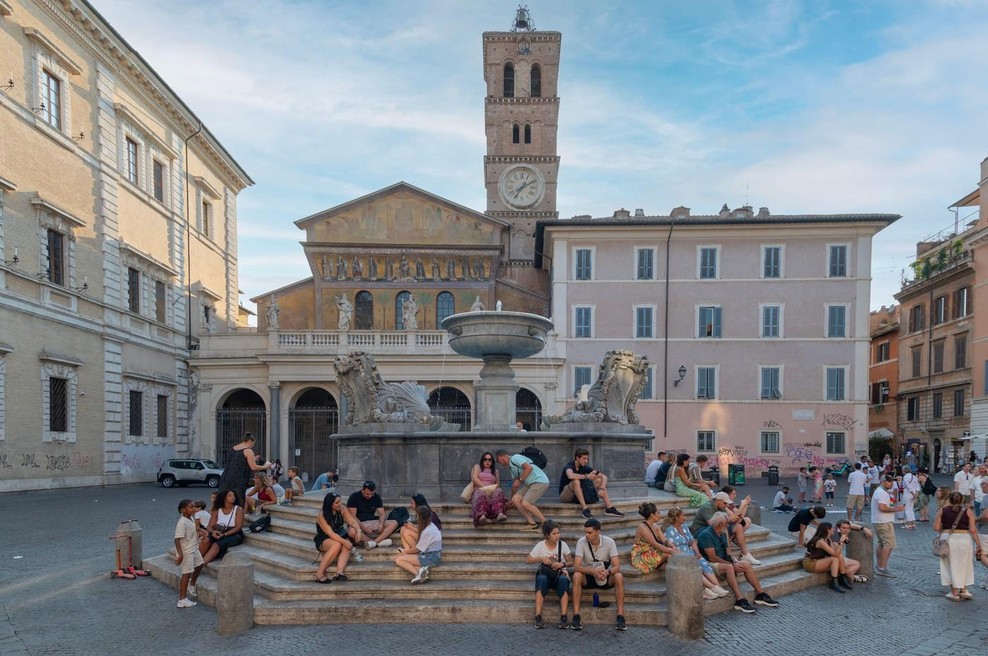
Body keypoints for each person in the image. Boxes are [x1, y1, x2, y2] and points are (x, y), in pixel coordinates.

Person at [697, 512, 779, 614]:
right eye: (726, 523)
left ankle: (760, 594)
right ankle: (739, 600)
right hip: (709, 564)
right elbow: (712, 558)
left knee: (746, 565)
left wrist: (734, 561)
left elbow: (727, 551)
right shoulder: (706, 535)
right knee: (729, 568)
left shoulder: (722, 532)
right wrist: (731, 564)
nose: (728, 525)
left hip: (723, 562)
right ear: (720, 524)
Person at [571, 518, 627, 631]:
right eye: (585, 532)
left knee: (619, 576)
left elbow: (617, 566)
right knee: (576, 575)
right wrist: (592, 571)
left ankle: (620, 615)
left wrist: (607, 572)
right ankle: (576, 615)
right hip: (589, 575)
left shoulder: (609, 542)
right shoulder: (581, 542)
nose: (586, 535)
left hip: (605, 575)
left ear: (598, 532)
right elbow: (576, 566)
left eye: (589, 532)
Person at [662, 507, 729, 600]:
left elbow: (693, 541)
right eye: (683, 515)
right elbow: (672, 548)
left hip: (691, 553)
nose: (685, 517)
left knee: (704, 564)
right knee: (695, 567)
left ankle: (718, 587)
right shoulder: (669, 530)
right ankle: (712, 587)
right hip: (680, 557)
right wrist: (686, 556)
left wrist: (697, 552)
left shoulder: (684, 527)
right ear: (676, 518)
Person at [192, 489, 245, 593]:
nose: (232, 497)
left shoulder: (238, 509)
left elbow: (239, 527)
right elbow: (210, 526)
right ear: (224, 498)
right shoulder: (218, 510)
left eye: (233, 495)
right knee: (207, 540)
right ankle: (195, 561)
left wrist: (225, 534)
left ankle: (199, 567)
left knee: (216, 545)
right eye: (230, 495)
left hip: (233, 533)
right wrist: (213, 533)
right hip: (218, 531)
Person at [526, 520, 573, 629]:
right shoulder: (541, 545)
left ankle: (564, 616)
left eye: (558, 533)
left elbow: (571, 562)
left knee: (563, 580)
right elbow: (528, 559)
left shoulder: (563, 545)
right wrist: (541, 558)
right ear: (547, 535)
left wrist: (562, 563)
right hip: (546, 573)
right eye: (554, 534)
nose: (557, 536)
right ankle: (537, 616)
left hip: (559, 573)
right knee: (541, 579)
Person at [692, 491, 760, 565]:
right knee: (723, 528)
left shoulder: (722, 507)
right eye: (725, 503)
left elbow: (738, 519)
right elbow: (713, 525)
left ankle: (745, 554)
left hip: (712, 528)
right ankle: (729, 553)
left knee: (739, 526)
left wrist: (744, 505)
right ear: (718, 500)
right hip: (700, 530)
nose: (726, 505)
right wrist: (731, 518)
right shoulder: (707, 507)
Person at [934, 491, 980, 600]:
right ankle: (963, 589)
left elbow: (936, 528)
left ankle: (954, 592)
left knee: (950, 565)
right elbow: (973, 530)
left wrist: (944, 529)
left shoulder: (942, 511)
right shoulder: (968, 511)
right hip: (964, 539)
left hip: (948, 538)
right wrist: (978, 544)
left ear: (949, 499)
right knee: (965, 563)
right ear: (962, 500)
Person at [559, 448, 625, 518]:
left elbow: (604, 477)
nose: (586, 461)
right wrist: (587, 476)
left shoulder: (584, 467)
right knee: (575, 481)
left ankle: (609, 508)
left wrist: (602, 488)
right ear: (577, 458)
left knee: (599, 480)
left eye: (587, 459)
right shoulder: (569, 466)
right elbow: (570, 475)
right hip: (566, 495)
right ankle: (585, 509)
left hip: (579, 493)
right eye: (584, 459)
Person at [496, 449, 549, 531]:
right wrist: (511, 500)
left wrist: (520, 480)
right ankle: (532, 524)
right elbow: (515, 485)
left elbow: (529, 468)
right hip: (530, 484)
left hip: (540, 481)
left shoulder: (515, 458)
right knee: (515, 499)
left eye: (497, 460)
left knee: (525, 503)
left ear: (500, 457)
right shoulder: (511, 468)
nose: (498, 463)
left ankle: (546, 525)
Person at [802, 522, 858, 594]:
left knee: (839, 556)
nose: (834, 530)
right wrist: (840, 541)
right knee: (834, 559)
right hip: (810, 563)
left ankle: (842, 578)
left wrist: (842, 542)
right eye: (832, 528)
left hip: (819, 561)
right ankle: (834, 582)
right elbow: (835, 554)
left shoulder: (828, 539)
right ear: (828, 530)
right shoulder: (820, 541)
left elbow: (836, 552)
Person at [313, 492, 357, 583]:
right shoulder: (322, 515)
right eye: (337, 503)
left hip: (338, 534)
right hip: (324, 538)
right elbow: (330, 533)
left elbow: (352, 521)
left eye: (340, 501)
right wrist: (344, 541)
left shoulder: (342, 509)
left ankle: (339, 573)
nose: (340, 504)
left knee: (347, 544)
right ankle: (319, 574)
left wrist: (359, 530)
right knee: (338, 544)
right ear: (330, 504)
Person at [217, 432, 271, 502]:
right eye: (253, 443)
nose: (253, 445)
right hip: (239, 479)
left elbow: (236, 461)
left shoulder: (233, 448)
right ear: (249, 441)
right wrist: (265, 466)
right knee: (237, 501)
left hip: (225, 477)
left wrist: (252, 459)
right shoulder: (248, 451)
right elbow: (253, 467)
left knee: (224, 500)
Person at [395, 505, 442, 584]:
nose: (416, 517)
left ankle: (418, 575)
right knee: (405, 532)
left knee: (399, 559)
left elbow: (418, 549)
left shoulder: (428, 531)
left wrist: (405, 553)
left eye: (416, 515)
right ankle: (421, 570)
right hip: (431, 555)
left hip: (430, 558)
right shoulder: (430, 525)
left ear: (420, 517)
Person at [346, 480, 399, 549]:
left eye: (372, 494)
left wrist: (381, 524)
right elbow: (353, 516)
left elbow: (382, 514)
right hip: (358, 523)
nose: (370, 496)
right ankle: (374, 542)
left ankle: (374, 542)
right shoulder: (354, 497)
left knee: (394, 523)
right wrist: (364, 528)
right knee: (351, 532)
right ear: (363, 490)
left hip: (372, 521)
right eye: (367, 494)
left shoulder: (376, 497)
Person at [629, 502, 678, 575]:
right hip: (642, 555)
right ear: (652, 515)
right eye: (658, 513)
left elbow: (664, 540)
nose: (660, 515)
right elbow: (655, 544)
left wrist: (671, 546)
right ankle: (673, 581)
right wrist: (670, 550)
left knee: (672, 557)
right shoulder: (642, 527)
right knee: (669, 554)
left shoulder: (655, 526)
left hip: (653, 552)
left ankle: (675, 579)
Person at [873, 474, 906, 578]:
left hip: (879, 521)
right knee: (889, 544)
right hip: (884, 521)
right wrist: (897, 509)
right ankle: (882, 568)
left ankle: (879, 565)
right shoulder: (882, 493)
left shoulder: (882, 492)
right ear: (883, 482)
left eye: (892, 481)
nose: (891, 483)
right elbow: (882, 507)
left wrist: (892, 501)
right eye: (889, 481)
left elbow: (886, 504)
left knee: (882, 543)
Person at [174, 499, 204, 608]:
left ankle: (191, 584)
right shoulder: (182, 523)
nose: (194, 509)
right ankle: (182, 600)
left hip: (194, 548)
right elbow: (177, 539)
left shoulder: (190, 518)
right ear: (183, 510)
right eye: (191, 507)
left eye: (194, 507)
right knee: (186, 574)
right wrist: (180, 554)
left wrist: (199, 533)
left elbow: (192, 531)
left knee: (200, 564)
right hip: (187, 551)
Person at [470, 452, 507, 526]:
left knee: (499, 491)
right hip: (480, 490)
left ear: (492, 462)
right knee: (480, 492)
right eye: (485, 459)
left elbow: (497, 485)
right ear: (482, 460)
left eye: (489, 460)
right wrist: (484, 487)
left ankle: (499, 514)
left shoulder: (495, 471)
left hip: (491, 491)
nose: (487, 461)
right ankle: (482, 516)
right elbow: (474, 478)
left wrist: (499, 493)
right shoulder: (477, 467)